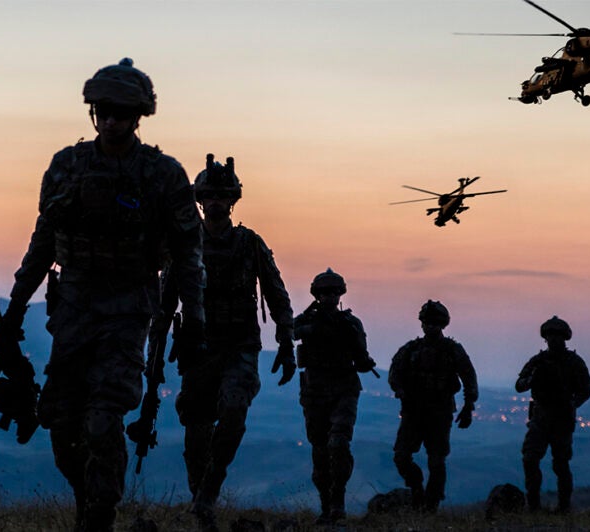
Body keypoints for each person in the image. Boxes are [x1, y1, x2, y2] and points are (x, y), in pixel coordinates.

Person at [0, 58, 206, 532]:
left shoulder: (163, 175)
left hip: (129, 307)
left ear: (138, 116)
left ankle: (99, 517)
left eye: (120, 112)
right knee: (62, 421)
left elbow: (187, 254)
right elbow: (42, 240)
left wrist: (194, 320)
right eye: (103, 111)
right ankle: (86, 501)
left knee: (103, 416)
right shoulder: (67, 166)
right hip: (72, 306)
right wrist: (14, 308)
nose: (110, 121)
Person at [158, 154, 295, 527]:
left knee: (234, 410)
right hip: (199, 349)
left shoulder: (249, 244)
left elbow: (276, 294)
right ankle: (199, 501)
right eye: (210, 196)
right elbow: (165, 300)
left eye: (223, 196)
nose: (216, 202)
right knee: (197, 429)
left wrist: (286, 341)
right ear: (201, 201)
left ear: (232, 200)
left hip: (240, 345)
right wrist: (154, 346)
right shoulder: (186, 245)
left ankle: (209, 491)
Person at [293, 268, 377, 524]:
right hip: (315, 391)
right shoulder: (305, 322)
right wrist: (313, 325)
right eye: (324, 293)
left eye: (333, 292)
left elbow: (361, 359)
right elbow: (290, 333)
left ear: (340, 294)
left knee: (338, 444)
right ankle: (326, 508)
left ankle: (337, 505)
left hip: (343, 389)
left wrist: (361, 358)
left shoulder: (350, 323)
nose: (329, 297)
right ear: (317, 295)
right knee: (320, 451)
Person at [387, 300, 478, 512]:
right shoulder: (410, 350)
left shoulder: (452, 350)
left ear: (443, 325)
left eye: (435, 323)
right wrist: (400, 391)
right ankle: (417, 488)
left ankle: (431, 504)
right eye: (427, 322)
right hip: (413, 411)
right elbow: (394, 375)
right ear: (422, 324)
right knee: (401, 456)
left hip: (440, 411)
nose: (430, 327)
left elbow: (468, 377)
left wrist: (468, 406)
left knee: (437, 461)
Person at [516, 316, 590, 513]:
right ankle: (534, 506)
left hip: (562, 420)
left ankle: (564, 507)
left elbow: (585, 390)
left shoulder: (574, 362)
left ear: (564, 338)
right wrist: (532, 379)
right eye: (550, 336)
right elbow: (519, 385)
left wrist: (571, 405)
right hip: (540, 418)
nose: (553, 340)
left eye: (557, 336)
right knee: (530, 459)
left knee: (561, 464)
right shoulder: (538, 361)